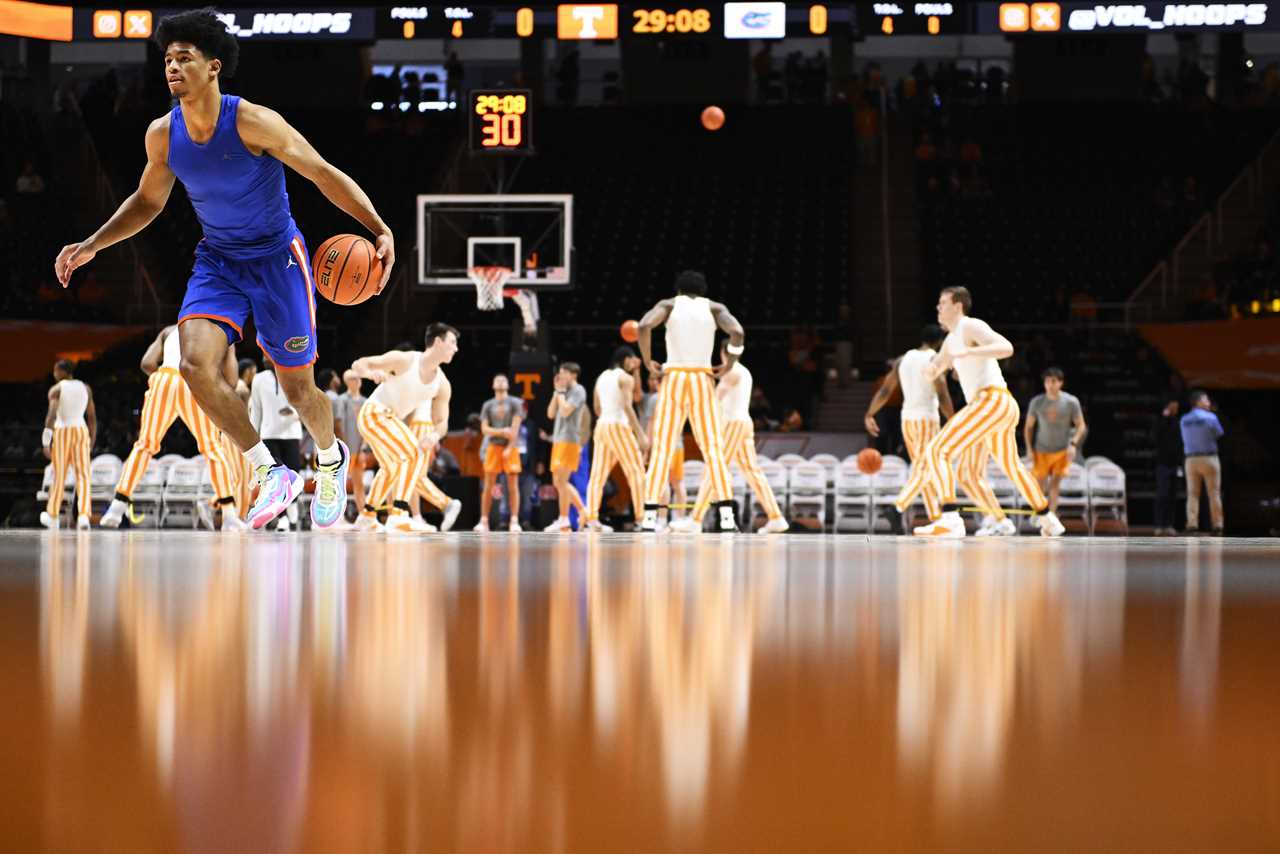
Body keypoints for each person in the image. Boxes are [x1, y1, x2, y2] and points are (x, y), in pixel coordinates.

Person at [53, 9, 396, 530]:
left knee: (299, 391)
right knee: (193, 365)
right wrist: (93, 244)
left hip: (279, 259)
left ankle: (330, 459)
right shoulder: (162, 136)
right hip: (219, 261)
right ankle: (269, 470)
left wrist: (378, 227)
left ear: (213, 67)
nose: (171, 66)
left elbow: (323, 173)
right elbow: (147, 202)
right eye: (167, 58)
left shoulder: (254, 121)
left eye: (184, 58)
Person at [902, 287, 1065, 538]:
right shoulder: (950, 340)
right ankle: (1048, 519)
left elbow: (1006, 347)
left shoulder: (970, 326)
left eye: (942, 303)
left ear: (957, 306)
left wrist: (970, 352)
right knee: (1011, 467)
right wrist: (928, 370)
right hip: (999, 406)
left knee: (937, 450)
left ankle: (950, 519)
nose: (938, 308)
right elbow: (937, 367)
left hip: (991, 401)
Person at [869, 325, 1012, 536]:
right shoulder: (935, 359)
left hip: (907, 419)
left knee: (923, 468)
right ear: (939, 342)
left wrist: (870, 413)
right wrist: (956, 420)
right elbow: (943, 394)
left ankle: (935, 518)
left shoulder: (902, 359)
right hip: (927, 417)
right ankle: (898, 507)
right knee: (927, 468)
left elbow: (885, 390)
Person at [100, 325, 243, 530]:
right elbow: (232, 380)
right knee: (212, 448)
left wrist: (163, 382)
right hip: (195, 380)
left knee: (144, 445)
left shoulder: (168, 330)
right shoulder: (219, 330)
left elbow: (147, 362)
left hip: (164, 379)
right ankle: (229, 515)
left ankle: (117, 506)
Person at [637, 270, 743, 534]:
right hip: (701, 378)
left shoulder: (668, 305)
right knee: (713, 449)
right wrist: (731, 363)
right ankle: (727, 518)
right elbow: (738, 332)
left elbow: (642, 326)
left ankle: (650, 517)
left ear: (679, 290)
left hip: (673, 377)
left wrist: (649, 360)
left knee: (662, 448)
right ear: (702, 290)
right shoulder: (715, 307)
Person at [351, 324, 460, 535]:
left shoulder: (442, 384)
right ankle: (399, 516)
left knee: (391, 468)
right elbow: (359, 363)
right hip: (374, 413)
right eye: (452, 343)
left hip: (386, 419)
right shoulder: (406, 360)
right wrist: (369, 373)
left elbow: (442, 421)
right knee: (413, 454)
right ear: (438, 342)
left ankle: (367, 516)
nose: (456, 349)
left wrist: (434, 435)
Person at [689, 343, 788, 534]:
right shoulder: (743, 371)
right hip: (744, 423)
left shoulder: (732, 372)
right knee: (752, 472)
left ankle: (695, 519)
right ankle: (776, 517)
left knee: (715, 469)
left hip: (733, 424)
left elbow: (713, 401)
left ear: (722, 353)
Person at [582, 347, 649, 532]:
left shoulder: (602, 377)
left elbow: (596, 407)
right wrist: (640, 434)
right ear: (626, 360)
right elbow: (630, 404)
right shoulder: (625, 378)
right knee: (636, 472)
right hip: (619, 426)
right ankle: (642, 519)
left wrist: (636, 372)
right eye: (632, 360)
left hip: (602, 425)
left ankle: (592, 520)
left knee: (597, 475)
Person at [1024, 367, 1088, 515]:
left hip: (1062, 450)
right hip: (1041, 449)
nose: (1050, 385)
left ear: (1060, 383)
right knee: (1041, 486)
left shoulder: (1071, 402)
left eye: (1053, 381)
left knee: (1054, 485)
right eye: (1047, 381)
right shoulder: (1037, 402)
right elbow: (1028, 427)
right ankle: (1041, 514)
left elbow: (1081, 426)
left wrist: (1073, 444)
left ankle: (1051, 517)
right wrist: (1028, 448)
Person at [41, 360, 95, 530]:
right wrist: (91, 442)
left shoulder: (56, 389)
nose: (53, 373)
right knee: (84, 475)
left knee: (59, 474)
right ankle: (84, 516)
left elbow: (50, 417)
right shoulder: (86, 388)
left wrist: (45, 442)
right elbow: (92, 418)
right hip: (81, 430)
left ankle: (53, 515)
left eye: (54, 370)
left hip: (63, 430)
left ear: (60, 371)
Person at [249, 360, 302, 530]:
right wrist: (252, 437)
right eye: (264, 355)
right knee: (277, 478)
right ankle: (283, 518)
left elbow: (305, 404)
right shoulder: (259, 379)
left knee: (294, 475)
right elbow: (256, 410)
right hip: (268, 435)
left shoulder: (295, 373)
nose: (266, 358)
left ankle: (292, 513)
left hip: (292, 433)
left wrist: (293, 414)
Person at [476, 374, 524, 532]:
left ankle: (514, 520)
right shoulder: (488, 405)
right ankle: (484, 521)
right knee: (488, 485)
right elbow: (484, 429)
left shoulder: (516, 402)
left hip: (511, 448)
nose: (501, 382)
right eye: (497, 380)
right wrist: (502, 431)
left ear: (508, 385)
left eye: (503, 380)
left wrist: (510, 447)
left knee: (512, 486)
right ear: (493, 385)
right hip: (493, 447)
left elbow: (515, 428)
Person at [544, 362, 589, 532]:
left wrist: (561, 393)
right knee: (558, 482)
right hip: (558, 440)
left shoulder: (579, 391)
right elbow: (550, 413)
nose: (561, 376)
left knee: (562, 481)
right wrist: (557, 391)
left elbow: (565, 411)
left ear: (573, 375)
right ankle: (582, 511)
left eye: (564, 373)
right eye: (560, 373)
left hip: (570, 440)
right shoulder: (562, 391)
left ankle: (564, 518)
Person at [641, 373, 688, 527]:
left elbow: (650, 424)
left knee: (663, 482)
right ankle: (680, 519)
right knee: (678, 483)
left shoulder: (656, 398)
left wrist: (647, 448)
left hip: (664, 446)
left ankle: (661, 519)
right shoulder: (679, 398)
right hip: (678, 445)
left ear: (659, 382)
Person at [1180, 389, 1225, 535]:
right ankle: (1217, 525)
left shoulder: (1184, 419)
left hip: (1191, 460)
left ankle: (1192, 524)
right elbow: (1219, 433)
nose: (1208, 402)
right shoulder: (1211, 417)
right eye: (1206, 400)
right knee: (1214, 493)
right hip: (1209, 458)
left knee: (1192, 494)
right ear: (1198, 401)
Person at [339, 369, 368, 516]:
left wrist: (363, 447)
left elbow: (367, 427)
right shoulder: (342, 400)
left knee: (359, 483)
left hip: (359, 447)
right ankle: (339, 516)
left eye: (358, 378)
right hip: (345, 449)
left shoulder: (365, 402)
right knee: (340, 484)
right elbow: (339, 425)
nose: (357, 380)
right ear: (346, 381)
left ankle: (363, 514)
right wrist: (342, 449)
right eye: (353, 378)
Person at [1152, 398, 1183, 535]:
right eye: (1173, 406)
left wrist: (1181, 463)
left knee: (1172, 495)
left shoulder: (1179, 422)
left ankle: (1169, 524)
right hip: (1162, 464)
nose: (1175, 409)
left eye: (1177, 406)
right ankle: (1159, 525)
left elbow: (1181, 442)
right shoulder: (1160, 422)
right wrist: (1165, 417)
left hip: (1175, 464)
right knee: (1162, 495)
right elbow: (1155, 437)